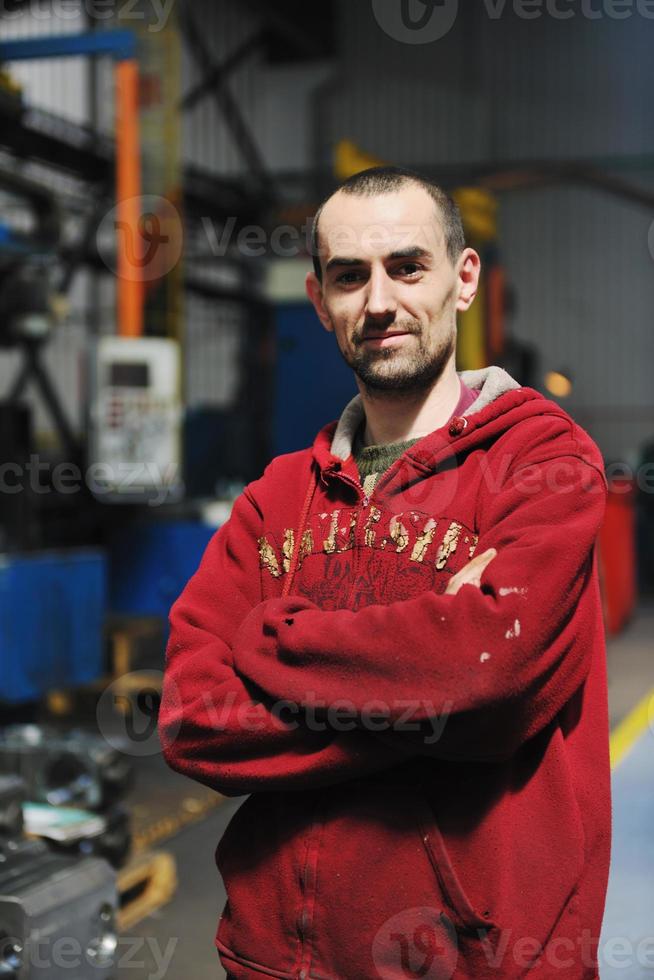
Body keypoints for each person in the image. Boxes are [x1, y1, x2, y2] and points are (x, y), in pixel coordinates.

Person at [159, 167, 611, 980]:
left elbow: (490, 673)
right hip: (274, 960)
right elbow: (194, 717)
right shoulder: (277, 498)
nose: (378, 302)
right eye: (349, 276)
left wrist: (270, 640)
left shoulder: (541, 464)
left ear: (462, 280)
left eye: (408, 267)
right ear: (319, 298)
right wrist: (430, 688)